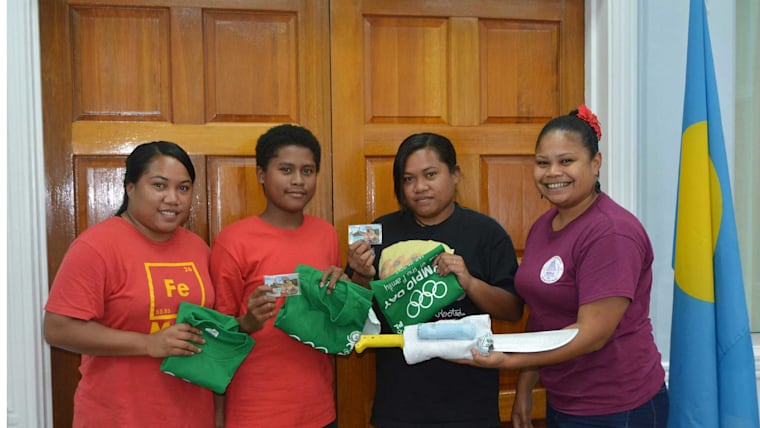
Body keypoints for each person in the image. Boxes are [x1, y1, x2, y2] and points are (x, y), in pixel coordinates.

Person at [465, 105, 668, 428]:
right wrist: (525, 385)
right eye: (543, 163)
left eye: (566, 161)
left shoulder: (611, 232)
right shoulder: (543, 226)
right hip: (565, 398)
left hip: (617, 406)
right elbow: (543, 315)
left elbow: (592, 335)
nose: (552, 172)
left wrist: (510, 360)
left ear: (596, 163)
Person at [346, 132, 524, 428]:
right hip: (399, 402)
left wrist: (469, 282)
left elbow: (513, 310)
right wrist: (360, 275)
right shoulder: (380, 231)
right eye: (408, 179)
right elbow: (354, 316)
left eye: (430, 174)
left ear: (454, 174)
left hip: (470, 403)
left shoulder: (486, 233)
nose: (419, 188)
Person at [43, 141, 216, 427]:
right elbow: (57, 329)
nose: (173, 198)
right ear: (130, 187)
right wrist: (149, 344)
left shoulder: (198, 248)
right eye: (159, 186)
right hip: (118, 416)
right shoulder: (96, 246)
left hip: (191, 415)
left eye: (183, 188)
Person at [210, 124, 344, 428]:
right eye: (286, 169)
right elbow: (214, 334)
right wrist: (247, 323)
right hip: (255, 413)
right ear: (261, 174)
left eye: (308, 171)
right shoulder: (233, 242)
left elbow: (335, 322)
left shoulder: (326, 234)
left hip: (319, 411)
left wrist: (351, 286)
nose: (298, 181)